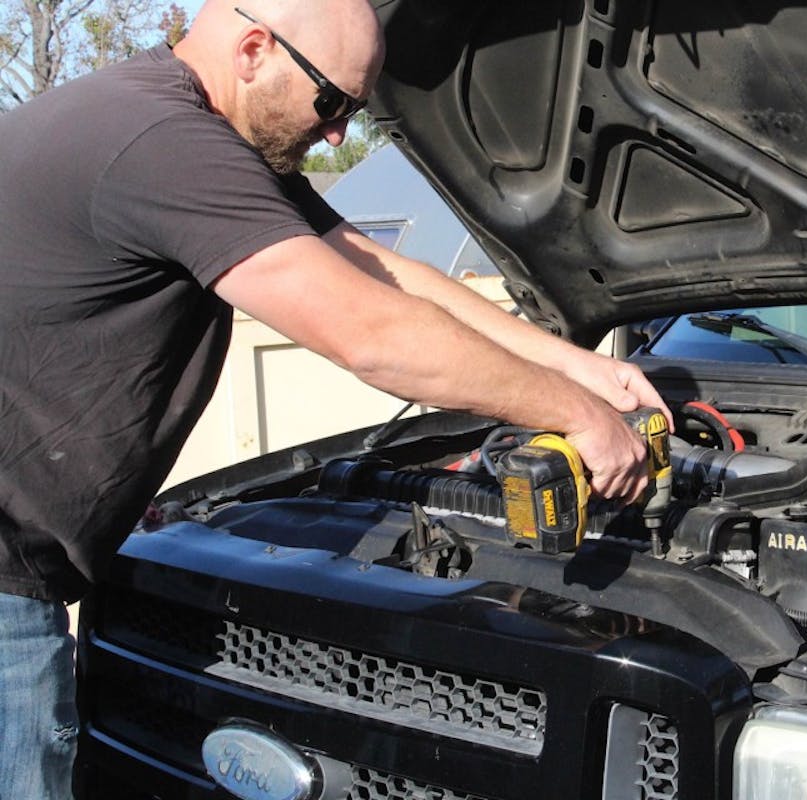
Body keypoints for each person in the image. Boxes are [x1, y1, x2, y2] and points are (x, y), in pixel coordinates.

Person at [0, 1, 669, 796]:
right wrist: (576, 416)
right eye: (331, 102)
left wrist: (581, 370)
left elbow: (383, 274)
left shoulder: (169, 120)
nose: (336, 135)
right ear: (254, 48)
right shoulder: (163, 142)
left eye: (353, 111)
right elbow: (373, 335)